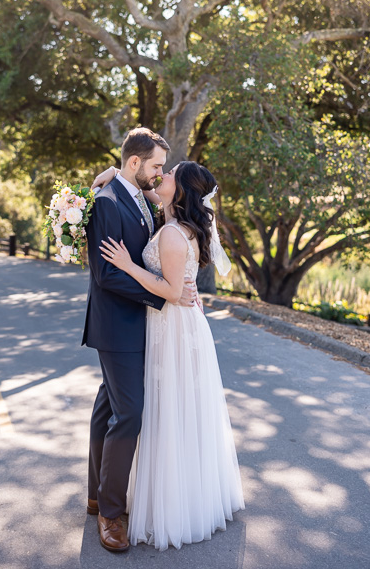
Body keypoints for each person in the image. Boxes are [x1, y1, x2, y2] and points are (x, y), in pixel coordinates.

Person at [99, 161, 245, 551]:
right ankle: (114, 495)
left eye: (170, 175)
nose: (161, 178)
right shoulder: (167, 212)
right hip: (172, 322)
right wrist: (111, 174)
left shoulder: (173, 234)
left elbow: (168, 290)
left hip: (174, 327)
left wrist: (128, 265)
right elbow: (138, 187)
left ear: (180, 191)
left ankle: (171, 502)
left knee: (167, 411)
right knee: (165, 407)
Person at [82, 128, 197, 553]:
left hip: (139, 323)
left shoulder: (136, 195)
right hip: (118, 325)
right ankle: (112, 515)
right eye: (155, 166)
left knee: (108, 406)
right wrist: (163, 294)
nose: (160, 173)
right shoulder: (109, 202)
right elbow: (107, 274)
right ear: (135, 163)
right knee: (129, 414)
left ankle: (97, 496)